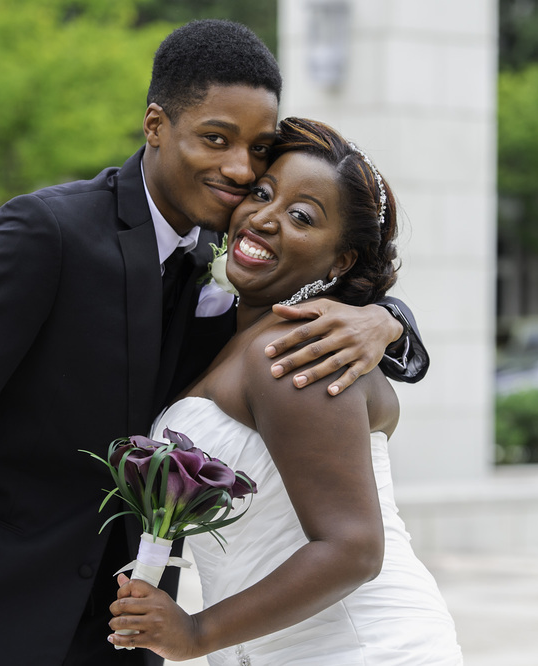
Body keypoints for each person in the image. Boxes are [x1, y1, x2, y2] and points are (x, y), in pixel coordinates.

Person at [0, 20, 428, 666]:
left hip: (116, 635)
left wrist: (386, 318)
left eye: (258, 150)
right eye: (215, 139)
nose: (239, 170)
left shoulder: (230, 269)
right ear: (155, 126)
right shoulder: (45, 235)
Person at [108, 118, 463, 665]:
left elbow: (354, 550)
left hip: (356, 647)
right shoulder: (237, 332)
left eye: (301, 216)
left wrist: (197, 633)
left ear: (341, 259)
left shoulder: (299, 352)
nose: (265, 218)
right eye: (261, 194)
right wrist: (388, 319)